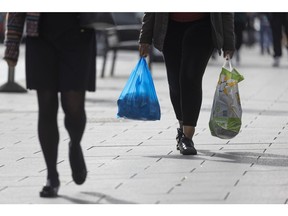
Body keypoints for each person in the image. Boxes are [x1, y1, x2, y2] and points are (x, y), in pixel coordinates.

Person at [3, 13, 96, 197]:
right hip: (39, 34)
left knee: (74, 107)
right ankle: (51, 175)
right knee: (46, 106)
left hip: (78, 32)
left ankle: (75, 144)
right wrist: (11, 45)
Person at [139, 13, 235, 155]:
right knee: (175, 83)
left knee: (190, 78)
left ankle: (187, 137)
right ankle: (182, 128)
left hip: (202, 27)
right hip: (169, 29)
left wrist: (228, 41)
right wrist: (145, 37)